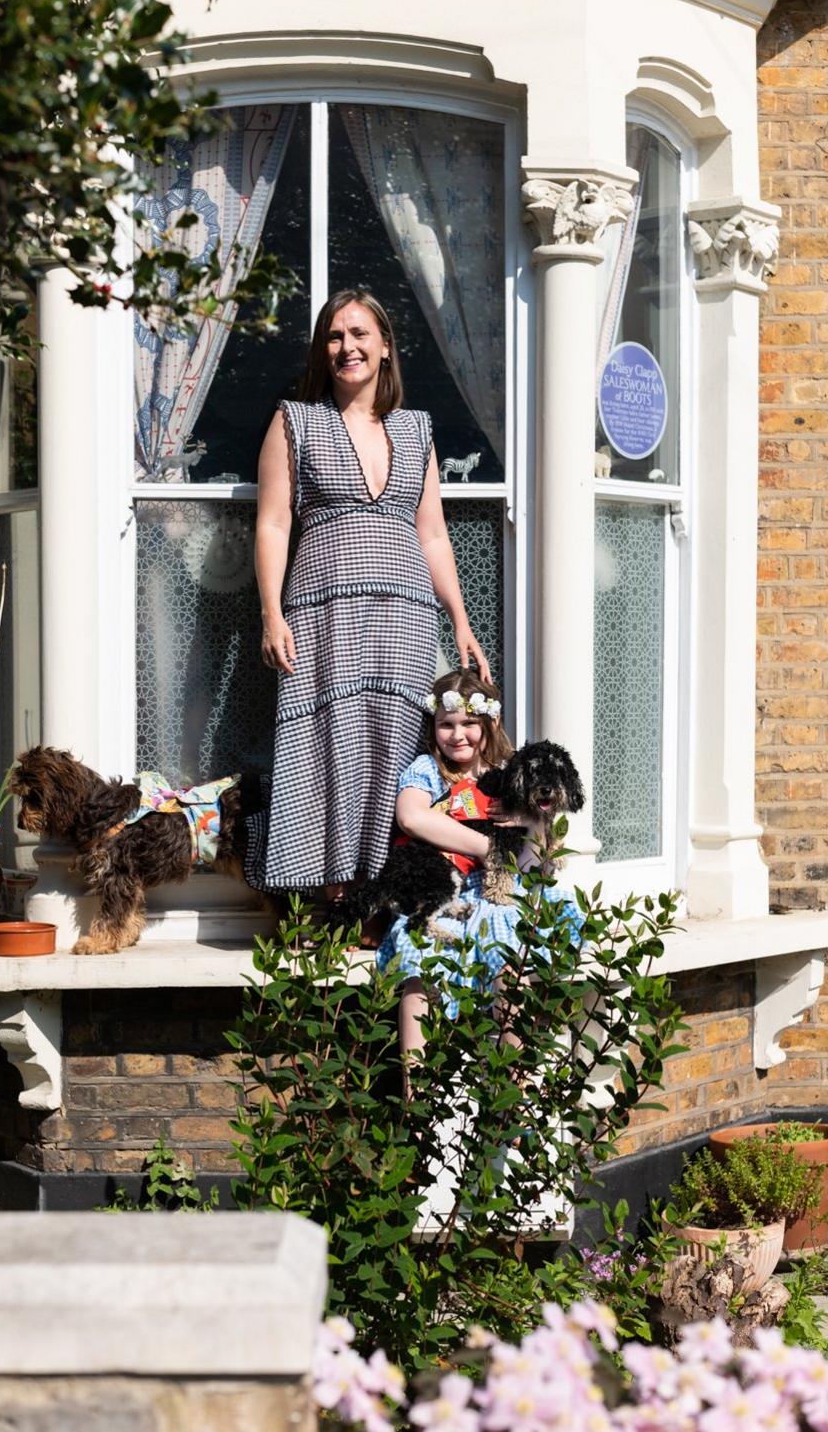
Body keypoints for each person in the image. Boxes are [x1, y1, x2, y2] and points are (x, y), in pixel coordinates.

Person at [254, 289, 490, 894]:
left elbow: (432, 534)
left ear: (384, 347)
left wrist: (459, 618)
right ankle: (325, 896)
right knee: (325, 746)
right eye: (334, 337)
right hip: (322, 614)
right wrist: (270, 612)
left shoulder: (416, 430)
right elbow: (274, 523)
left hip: (406, 617)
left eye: (359, 334)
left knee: (394, 743)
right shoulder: (294, 420)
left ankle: (383, 894)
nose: (346, 348)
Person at [375, 669, 583, 1077]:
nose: (458, 735)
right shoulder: (427, 771)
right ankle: (418, 1095)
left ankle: (511, 1090)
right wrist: (489, 848)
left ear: (489, 724)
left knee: (512, 961)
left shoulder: (510, 773)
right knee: (419, 968)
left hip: (500, 893)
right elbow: (412, 817)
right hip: (443, 892)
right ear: (433, 726)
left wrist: (529, 822)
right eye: (446, 725)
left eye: (469, 724)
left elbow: (536, 857)